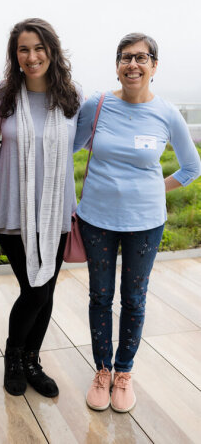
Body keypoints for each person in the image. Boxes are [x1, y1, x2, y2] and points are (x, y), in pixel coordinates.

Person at [74, 33, 201, 413]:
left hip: (145, 223)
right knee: (100, 296)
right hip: (96, 219)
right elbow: (70, 150)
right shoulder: (96, 106)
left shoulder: (167, 113)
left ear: (154, 66)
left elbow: (192, 167)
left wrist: (153, 188)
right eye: (126, 57)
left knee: (134, 299)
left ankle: (124, 372)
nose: (133, 64)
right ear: (117, 65)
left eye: (142, 58)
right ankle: (102, 369)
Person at [0, 18, 82, 397]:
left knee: (46, 291)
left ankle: (32, 359)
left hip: (55, 212)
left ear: (52, 51)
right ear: (16, 55)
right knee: (36, 291)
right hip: (12, 212)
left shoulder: (72, 98)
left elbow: (82, 142)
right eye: (24, 49)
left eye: (39, 48)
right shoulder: (3, 96)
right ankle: (14, 357)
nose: (32, 56)